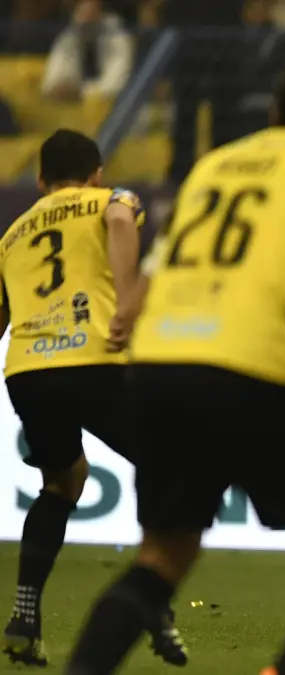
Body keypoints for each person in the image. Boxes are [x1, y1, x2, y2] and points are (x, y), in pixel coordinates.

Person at [62, 49, 285, 675]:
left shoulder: (215, 163)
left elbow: (159, 260)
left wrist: (127, 313)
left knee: (163, 554)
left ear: (275, 111)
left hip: (157, 364)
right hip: (242, 362)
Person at [0, 129, 186, 669]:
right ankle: (153, 603)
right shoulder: (111, 199)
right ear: (97, 174)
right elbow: (123, 220)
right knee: (168, 466)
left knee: (62, 484)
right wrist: (127, 300)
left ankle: (24, 617)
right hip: (94, 358)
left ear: (41, 180)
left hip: (28, 370)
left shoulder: (12, 235)